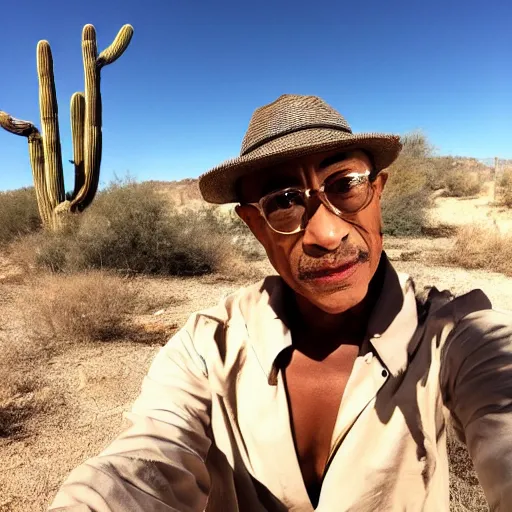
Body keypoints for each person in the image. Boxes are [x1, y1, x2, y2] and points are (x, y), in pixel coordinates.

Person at [49, 94, 512, 512]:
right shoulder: (208, 346)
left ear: (378, 191)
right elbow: (143, 463)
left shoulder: (454, 333)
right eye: (284, 202)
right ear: (254, 224)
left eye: (345, 184)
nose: (327, 235)